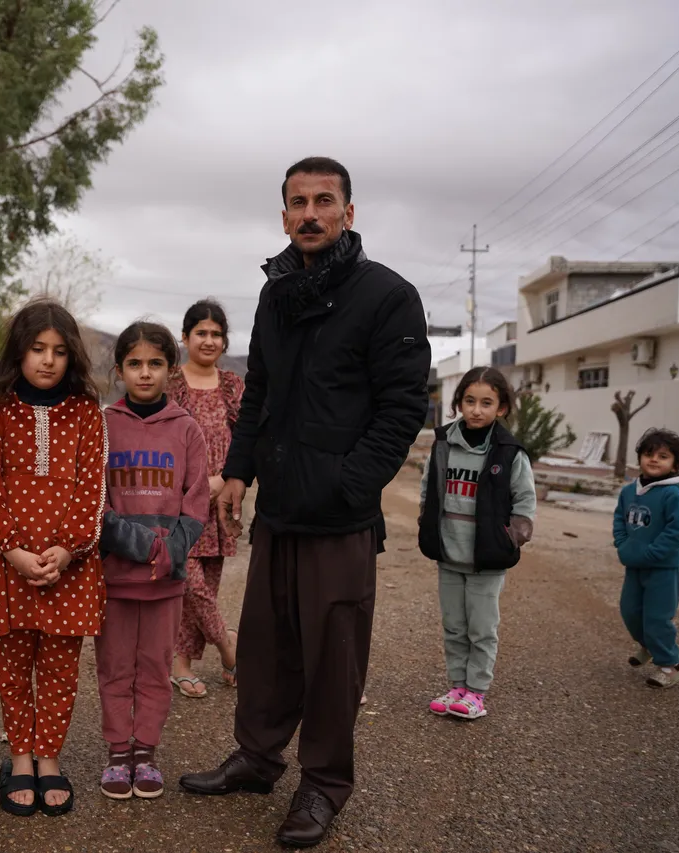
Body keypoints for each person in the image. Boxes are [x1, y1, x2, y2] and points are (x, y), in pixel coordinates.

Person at [179, 156, 430, 849]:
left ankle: (323, 783)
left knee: (332, 659)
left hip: (341, 518)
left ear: (349, 212)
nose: (311, 213)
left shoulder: (388, 295)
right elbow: (259, 390)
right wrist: (238, 470)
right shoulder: (277, 292)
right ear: (284, 214)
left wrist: (352, 484)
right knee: (266, 645)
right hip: (280, 510)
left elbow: (403, 406)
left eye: (324, 200)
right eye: (299, 202)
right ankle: (258, 758)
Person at [0, 298, 107, 818]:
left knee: (59, 671)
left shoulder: (87, 413)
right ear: (18, 352)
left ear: (72, 357)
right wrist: (13, 550)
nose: (48, 360)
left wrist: (68, 549)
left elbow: (93, 490)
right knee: (11, 670)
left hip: (69, 569)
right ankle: (20, 759)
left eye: (59, 351)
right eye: (37, 348)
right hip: (8, 568)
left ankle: (49, 758)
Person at [97, 322, 209, 800]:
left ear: (171, 368)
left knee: (155, 668)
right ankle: (117, 753)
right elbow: (95, 505)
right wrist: (144, 547)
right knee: (115, 669)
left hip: (166, 580)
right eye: (135, 364)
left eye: (156, 363)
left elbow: (196, 503)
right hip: (115, 578)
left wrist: (170, 552)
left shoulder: (186, 429)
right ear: (119, 369)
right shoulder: (103, 425)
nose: (145, 373)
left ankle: (145, 753)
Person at [418, 367, 536, 721]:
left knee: (481, 629)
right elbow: (427, 490)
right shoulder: (443, 444)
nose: (476, 410)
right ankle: (457, 687)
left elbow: (525, 503)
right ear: (459, 403)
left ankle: (477, 692)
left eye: (486, 403)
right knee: (454, 626)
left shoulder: (509, 452)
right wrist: (427, 523)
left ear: (501, 408)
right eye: (469, 401)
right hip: (449, 554)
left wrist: (508, 539)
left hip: (487, 559)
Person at [168, 299, 244, 698]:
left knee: (204, 591)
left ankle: (181, 665)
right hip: (178, 502)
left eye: (216, 334)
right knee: (189, 584)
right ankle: (229, 647)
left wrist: (227, 479)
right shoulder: (170, 383)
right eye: (201, 332)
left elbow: (247, 438)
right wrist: (194, 485)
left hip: (220, 502)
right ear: (185, 337)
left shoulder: (232, 385)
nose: (209, 340)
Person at [614, 428, 679, 689]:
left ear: (675, 464)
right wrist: (622, 545)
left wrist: (652, 553)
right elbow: (619, 520)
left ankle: (669, 665)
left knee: (657, 618)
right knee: (630, 611)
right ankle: (648, 646)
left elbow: (678, 529)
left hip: (662, 569)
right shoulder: (629, 492)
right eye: (649, 454)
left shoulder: (672, 494)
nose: (654, 459)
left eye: (663, 456)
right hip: (634, 565)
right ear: (640, 458)